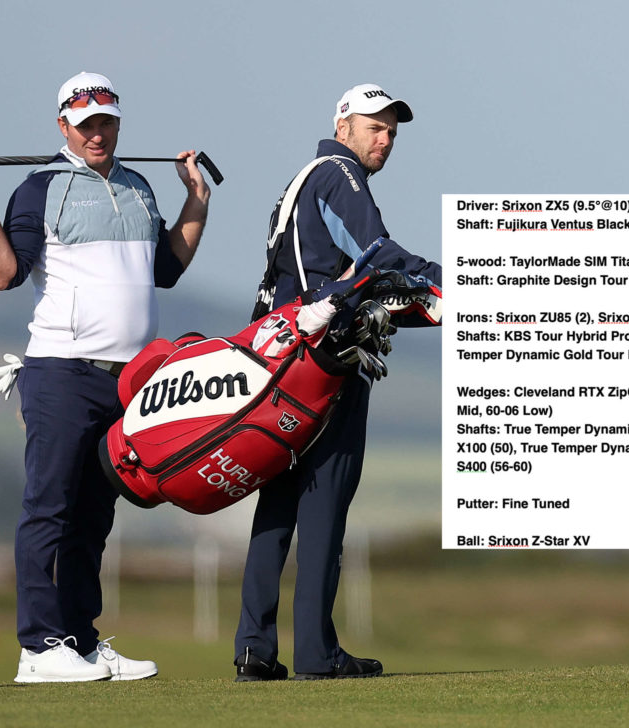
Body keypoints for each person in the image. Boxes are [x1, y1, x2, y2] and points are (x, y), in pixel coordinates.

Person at [0, 71, 210, 683]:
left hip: (130, 381)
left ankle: (80, 642)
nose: (99, 133)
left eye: (108, 121)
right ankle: (38, 649)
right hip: (62, 372)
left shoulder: (141, 187)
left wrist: (196, 199)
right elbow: (0, 274)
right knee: (50, 507)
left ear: (119, 122)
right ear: (64, 125)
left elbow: (167, 268)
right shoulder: (40, 189)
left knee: (95, 515)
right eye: (86, 123)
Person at [234, 84, 441, 681]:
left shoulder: (299, 181)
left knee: (276, 501)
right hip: (327, 360)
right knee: (325, 500)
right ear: (343, 124)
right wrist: (443, 280)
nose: (385, 139)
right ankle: (316, 655)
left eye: (393, 132)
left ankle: (254, 649)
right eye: (375, 126)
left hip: (276, 357)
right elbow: (375, 255)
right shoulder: (340, 175)